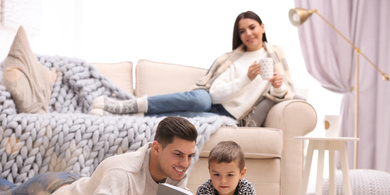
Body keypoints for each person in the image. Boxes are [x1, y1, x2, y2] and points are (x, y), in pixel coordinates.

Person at [90, 10, 295, 126]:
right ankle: (128, 105)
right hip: (212, 102)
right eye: (242, 31)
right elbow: (214, 95)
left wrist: (277, 85)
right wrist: (246, 79)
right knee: (200, 98)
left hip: (229, 117)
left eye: (252, 27)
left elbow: (281, 94)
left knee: (187, 118)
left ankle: (119, 116)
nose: (248, 34)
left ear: (262, 27)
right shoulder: (231, 59)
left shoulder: (274, 56)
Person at [0, 116, 204, 195]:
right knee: (6, 194)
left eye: (190, 156)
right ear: (157, 148)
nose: (185, 164)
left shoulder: (176, 170)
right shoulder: (123, 171)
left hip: (89, 184)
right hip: (54, 189)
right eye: (178, 154)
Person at [196, 141, 261, 195]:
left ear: (242, 173)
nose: (223, 181)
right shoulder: (204, 190)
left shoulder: (246, 188)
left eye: (230, 175)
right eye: (216, 174)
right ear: (210, 171)